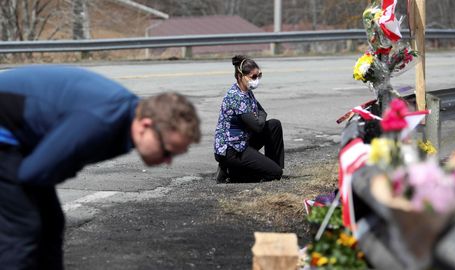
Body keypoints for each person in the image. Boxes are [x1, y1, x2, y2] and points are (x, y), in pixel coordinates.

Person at [0, 65, 201, 269]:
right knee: (22, 226)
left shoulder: (125, 117)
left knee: (51, 222)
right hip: (6, 134)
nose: (168, 161)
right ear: (146, 126)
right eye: (168, 151)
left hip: (18, 136)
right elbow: (31, 174)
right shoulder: (100, 122)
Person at [213, 55, 284, 183]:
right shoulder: (236, 97)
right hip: (231, 150)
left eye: (259, 76)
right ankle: (231, 172)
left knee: (274, 125)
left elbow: (262, 112)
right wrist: (259, 117)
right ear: (241, 76)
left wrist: (259, 117)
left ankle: (272, 166)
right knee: (275, 173)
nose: (257, 80)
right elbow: (257, 126)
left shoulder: (247, 91)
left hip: (242, 141)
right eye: (254, 77)